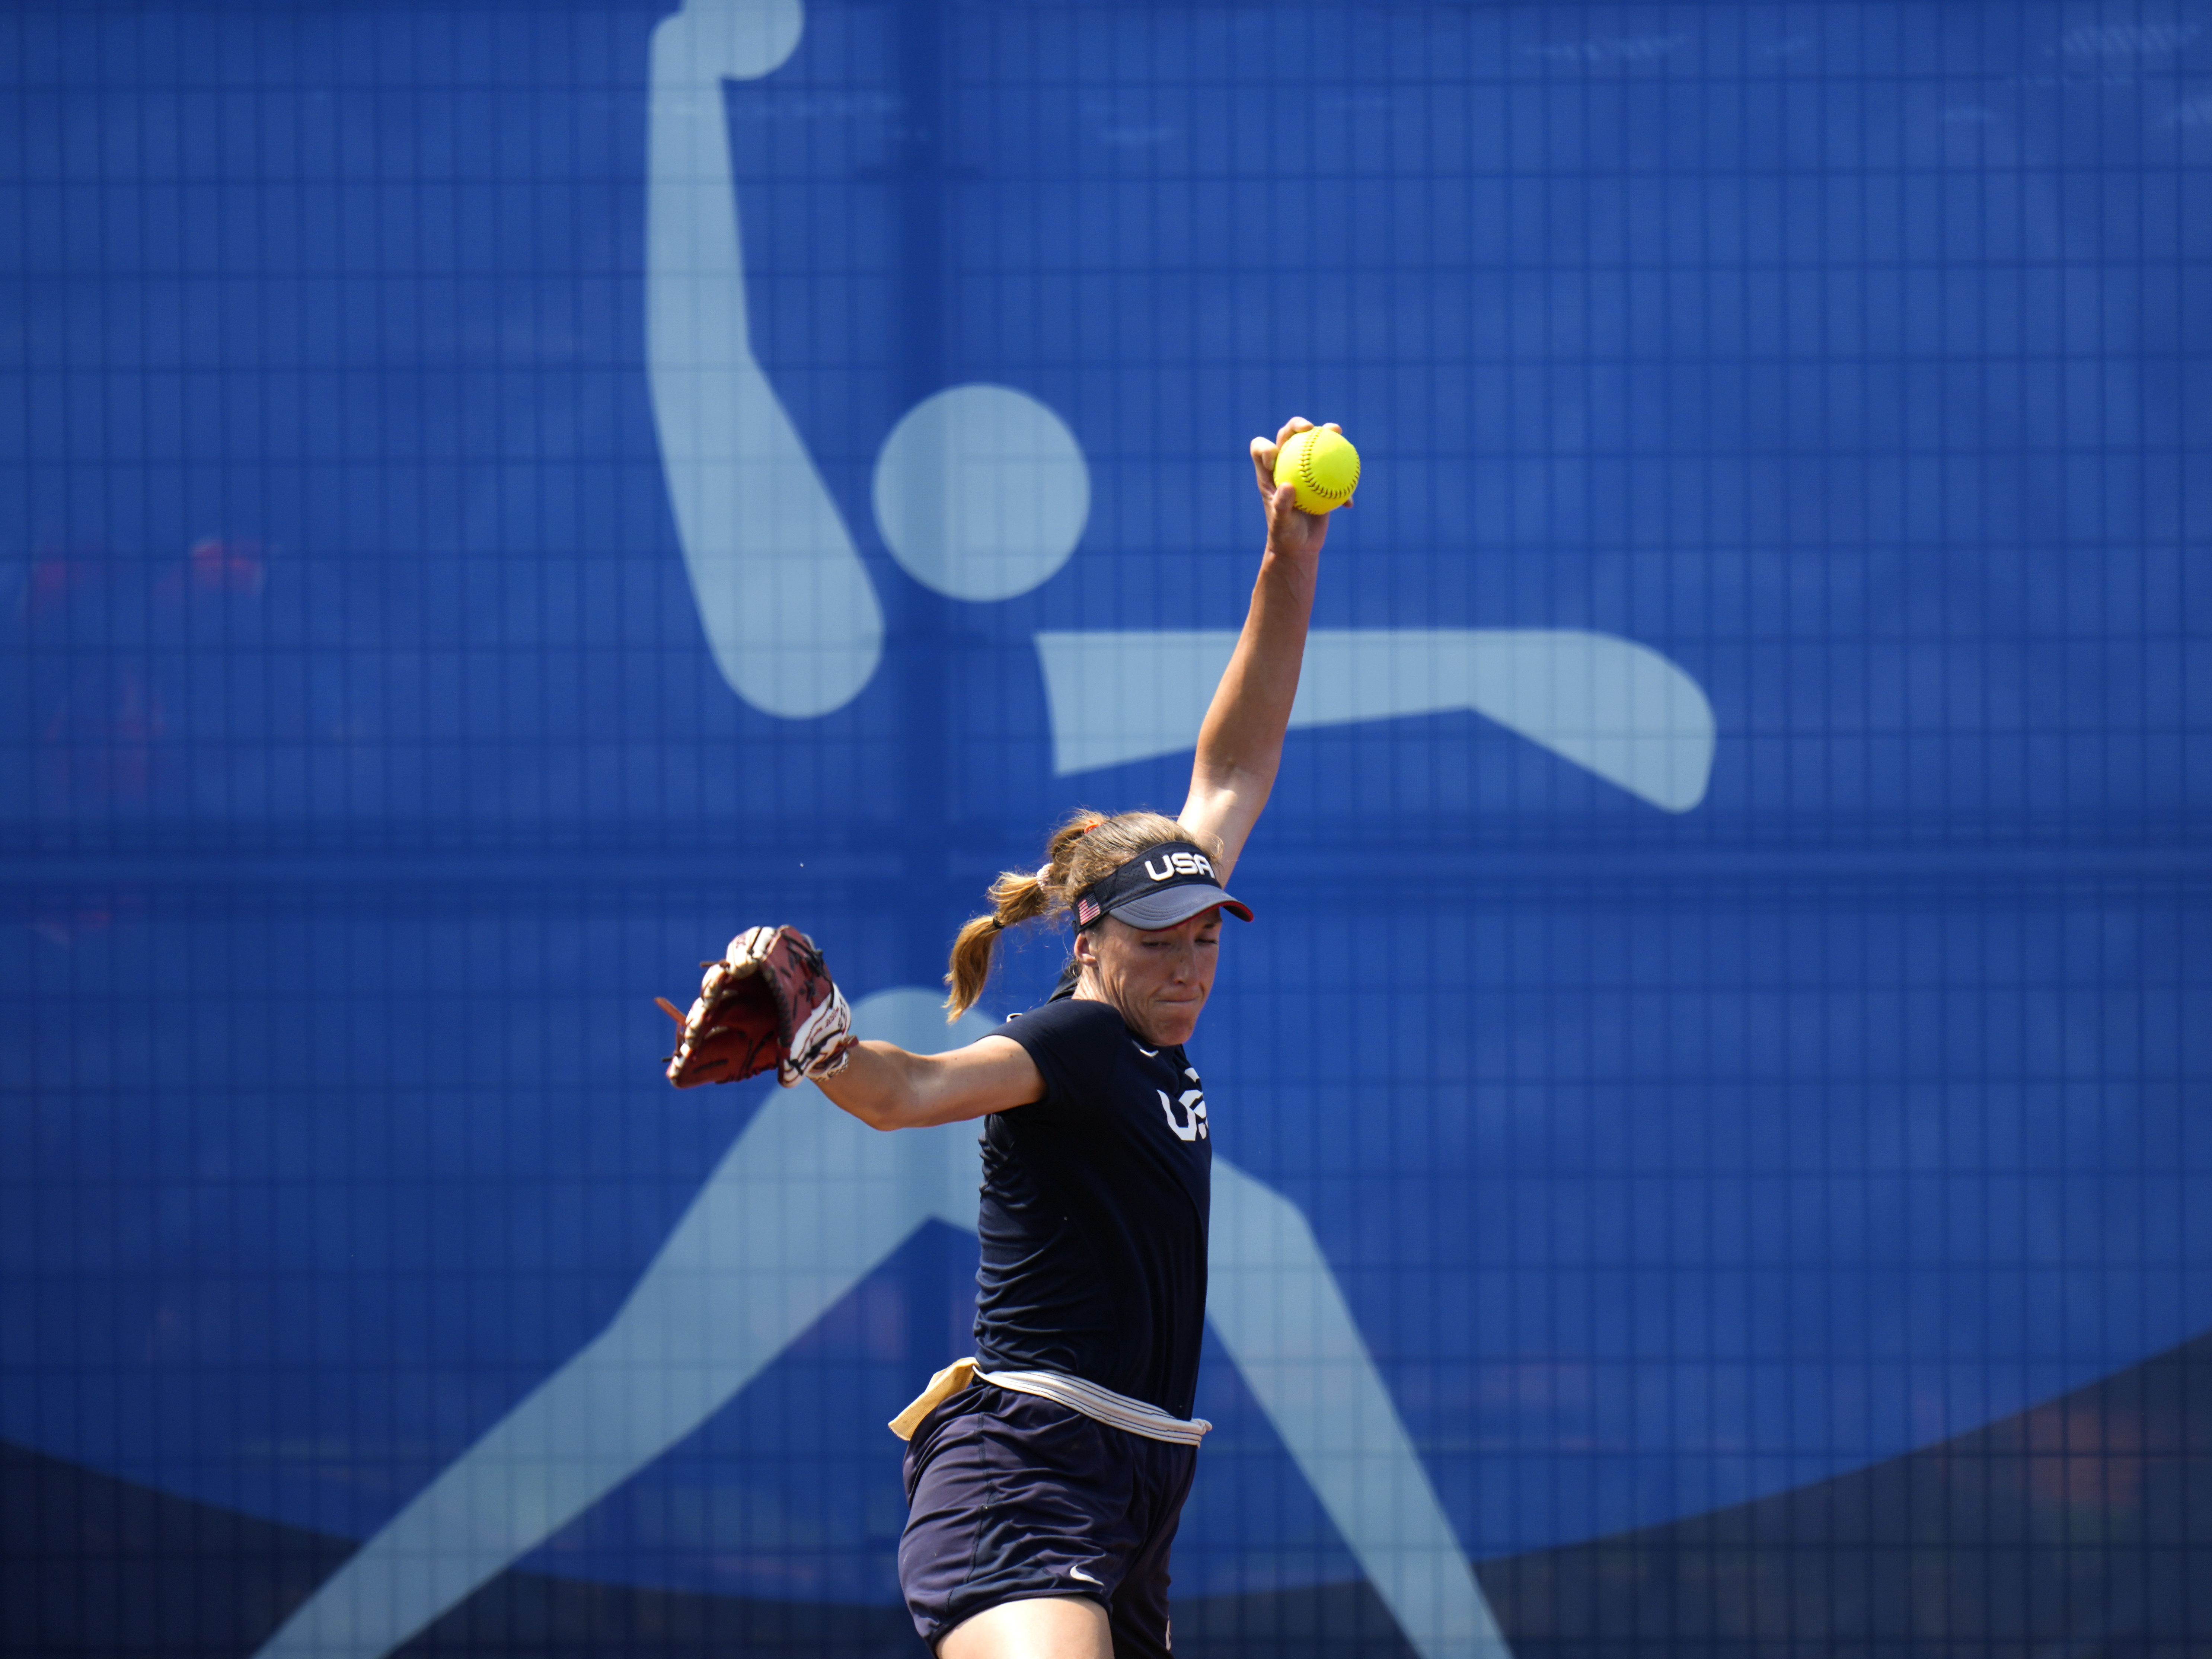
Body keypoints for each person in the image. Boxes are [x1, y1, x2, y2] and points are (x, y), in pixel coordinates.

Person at [811, 417, 1338, 1659]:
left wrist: (1291, 558)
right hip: (1027, 1467)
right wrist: (823, 1043)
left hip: (1134, 1480)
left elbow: (1237, 762)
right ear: (1090, 936)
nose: (1189, 962)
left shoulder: (1142, 1026)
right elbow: (910, 1091)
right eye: (1161, 938)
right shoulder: (1079, 1040)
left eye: (1208, 935)